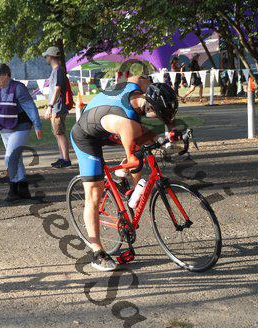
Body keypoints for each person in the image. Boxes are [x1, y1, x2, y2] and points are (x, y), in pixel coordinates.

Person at [70, 77, 178, 270]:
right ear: (149, 108)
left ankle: (122, 177)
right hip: (85, 136)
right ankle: (97, 252)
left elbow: (162, 122)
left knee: (151, 137)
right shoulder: (129, 123)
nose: (160, 120)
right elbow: (134, 160)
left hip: (106, 123)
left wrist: (172, 130)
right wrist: (136, 183)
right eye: (159, 116)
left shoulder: (139, 84)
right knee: (94, 193)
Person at [0, 63, 43, 201]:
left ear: (6, 75)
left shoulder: (18, 88)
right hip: (5, 129)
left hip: (21, 127)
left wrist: (37, 125)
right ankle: (23, 190)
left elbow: (30, 107)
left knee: (10, 158)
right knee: (16, 159)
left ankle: (13, 190)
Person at [43, 46, 73, 168]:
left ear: (50, 57)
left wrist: (50, 106)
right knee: (57, 133)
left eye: (46, 56)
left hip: (58, 107)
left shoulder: (58, 70)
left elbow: (57, 89)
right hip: (56, 107)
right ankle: (62, 157)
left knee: (60, 133)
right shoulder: (56, 70)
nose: (45, 58)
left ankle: (66, 159)